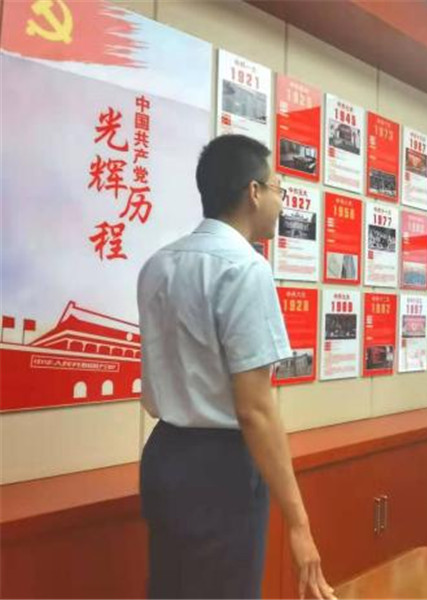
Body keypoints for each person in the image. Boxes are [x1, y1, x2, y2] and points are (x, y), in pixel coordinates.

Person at [138, 134, 334, 599]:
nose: (281, 203)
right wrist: (299, 524)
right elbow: (255, 409)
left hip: (164, 455)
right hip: (220, 470)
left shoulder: (157, 265)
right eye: (279, 189)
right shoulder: (245, 268)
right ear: (253, 192)